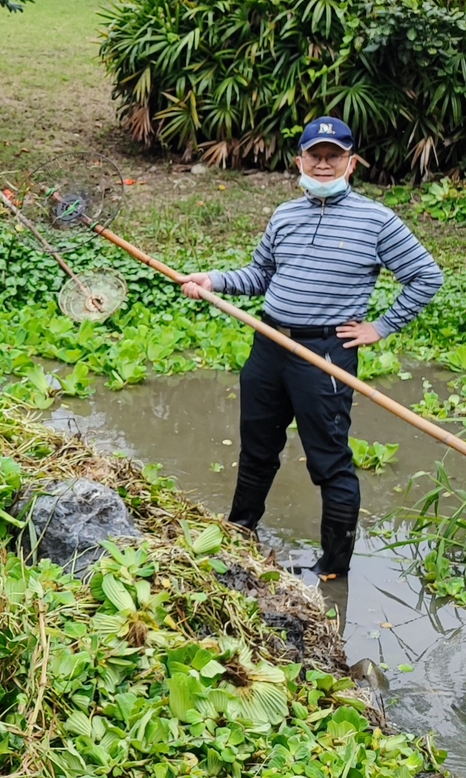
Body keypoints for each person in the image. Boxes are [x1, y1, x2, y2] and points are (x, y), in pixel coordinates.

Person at [179, 117, 443, 581]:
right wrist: (214, 280)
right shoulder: (284, 215)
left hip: (324, 357)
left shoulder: (377, 221)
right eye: (315, 156)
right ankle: (240, 530)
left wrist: (381, 327)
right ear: (299, 161)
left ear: (351, 163)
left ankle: (334, 566)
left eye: (333, 156)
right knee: (258, 448)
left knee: (330, 461)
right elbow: (260, 275)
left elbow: (427, 277)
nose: (323, 164)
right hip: (270, 345)